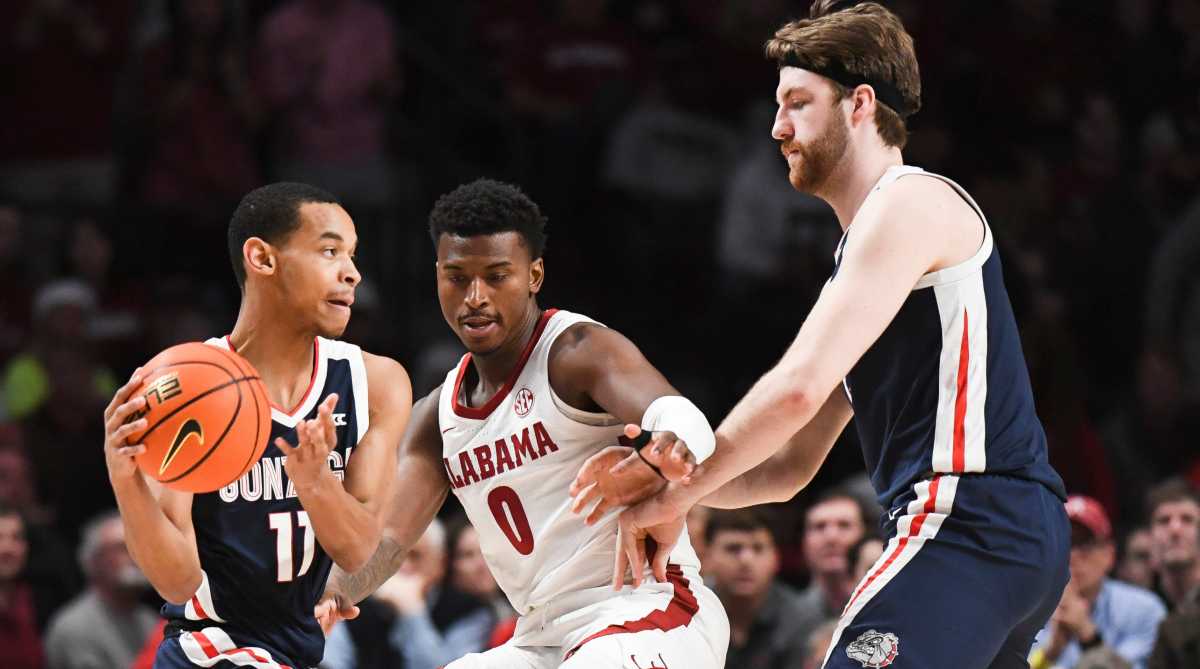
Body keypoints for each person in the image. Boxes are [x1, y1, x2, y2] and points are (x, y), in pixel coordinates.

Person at [592, 2, 1071, 667]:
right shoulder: (872, 255)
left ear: (859, 104)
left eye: (796, 103)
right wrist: (672, 489)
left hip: (966, 516)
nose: (776, 127)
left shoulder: (910, 202)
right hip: (1010, 531)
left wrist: (676, 488)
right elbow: (789, 466)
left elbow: (795, 389)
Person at [317, 178, 728, 668]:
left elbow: (681, 418)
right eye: (457, 277)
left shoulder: (575, 351)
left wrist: (659, 455)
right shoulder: (435, 416)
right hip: (541, 639)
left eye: (496, 276)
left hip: (651, 611)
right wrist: (328, 594)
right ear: (437, 277)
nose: (475, 297)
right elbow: (385, 542)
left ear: (533, 275)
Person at [101, 182, 412, 668]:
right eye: (330, 251)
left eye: (352, 255)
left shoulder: (376, 383)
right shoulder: (185, 388)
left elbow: (356, 551)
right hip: (209, 652)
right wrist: (127, 482)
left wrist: (315, 482)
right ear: (262, 259)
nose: (351, 273)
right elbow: (177, 581)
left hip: (297, 652)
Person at [1029, 496, 1165, 669]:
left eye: (1085, 544)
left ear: (1109, 554)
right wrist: (1052, 651)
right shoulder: (1025, 613)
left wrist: (1087, 633)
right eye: (1064, 542)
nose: (1074, 555)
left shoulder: (1145, 610)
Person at [44, 511, 159, 669]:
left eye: (139, 547)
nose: (135, 556)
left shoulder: (150, 621)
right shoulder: (75, 626)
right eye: (122, 548)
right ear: (93, 561)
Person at [705, 508, 811, 669]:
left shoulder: (799, 619)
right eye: (733, 548)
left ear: (776, 558)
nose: (746, 560)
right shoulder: (689, 612)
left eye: (758, 548)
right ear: (707, 556)